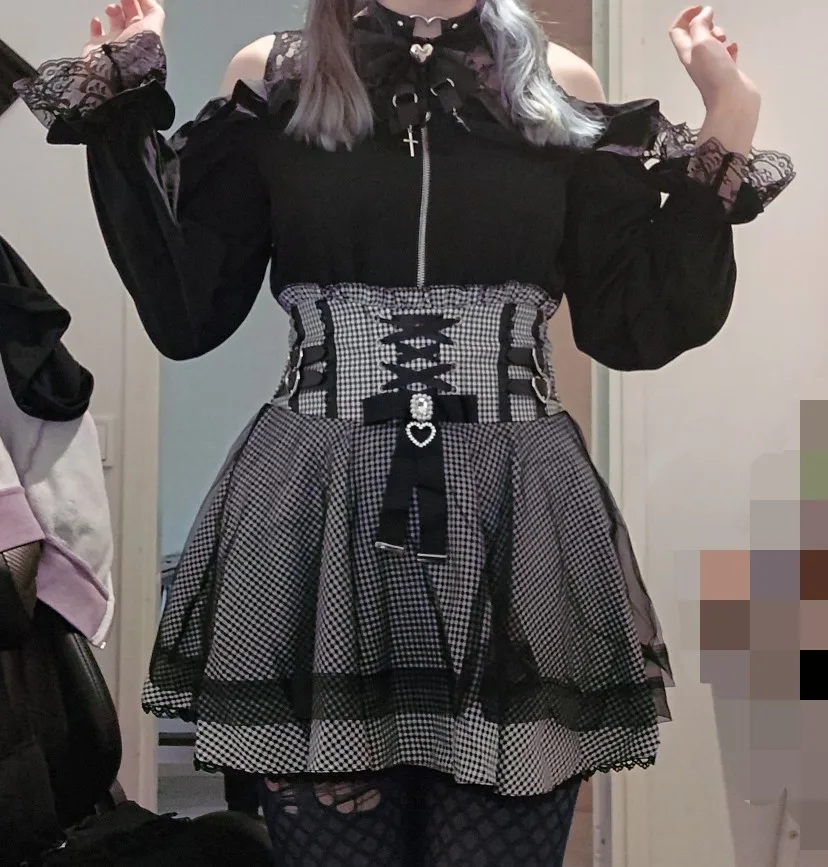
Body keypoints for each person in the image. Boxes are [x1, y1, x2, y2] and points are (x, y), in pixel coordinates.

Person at [15, 0, 794, 863]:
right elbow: (186, 309)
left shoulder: (557, 86)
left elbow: (632, 324)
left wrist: (730, 114)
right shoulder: (274, 76)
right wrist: (119, 104)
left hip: (514, 515)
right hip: (316, 517)